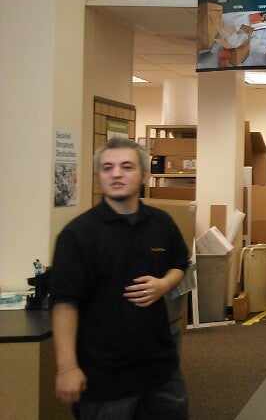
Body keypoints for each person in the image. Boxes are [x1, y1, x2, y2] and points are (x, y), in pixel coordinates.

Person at [50, 137, 190, 419]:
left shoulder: (161, 223)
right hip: (105, 378)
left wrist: (164, 284)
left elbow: (179, 264)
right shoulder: (78, 235)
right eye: (107, 168)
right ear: (98, 175)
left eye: (126, 167)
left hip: (161, 370)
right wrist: (67, 368)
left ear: (144, 175)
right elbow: (65, 304)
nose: (116, 174)